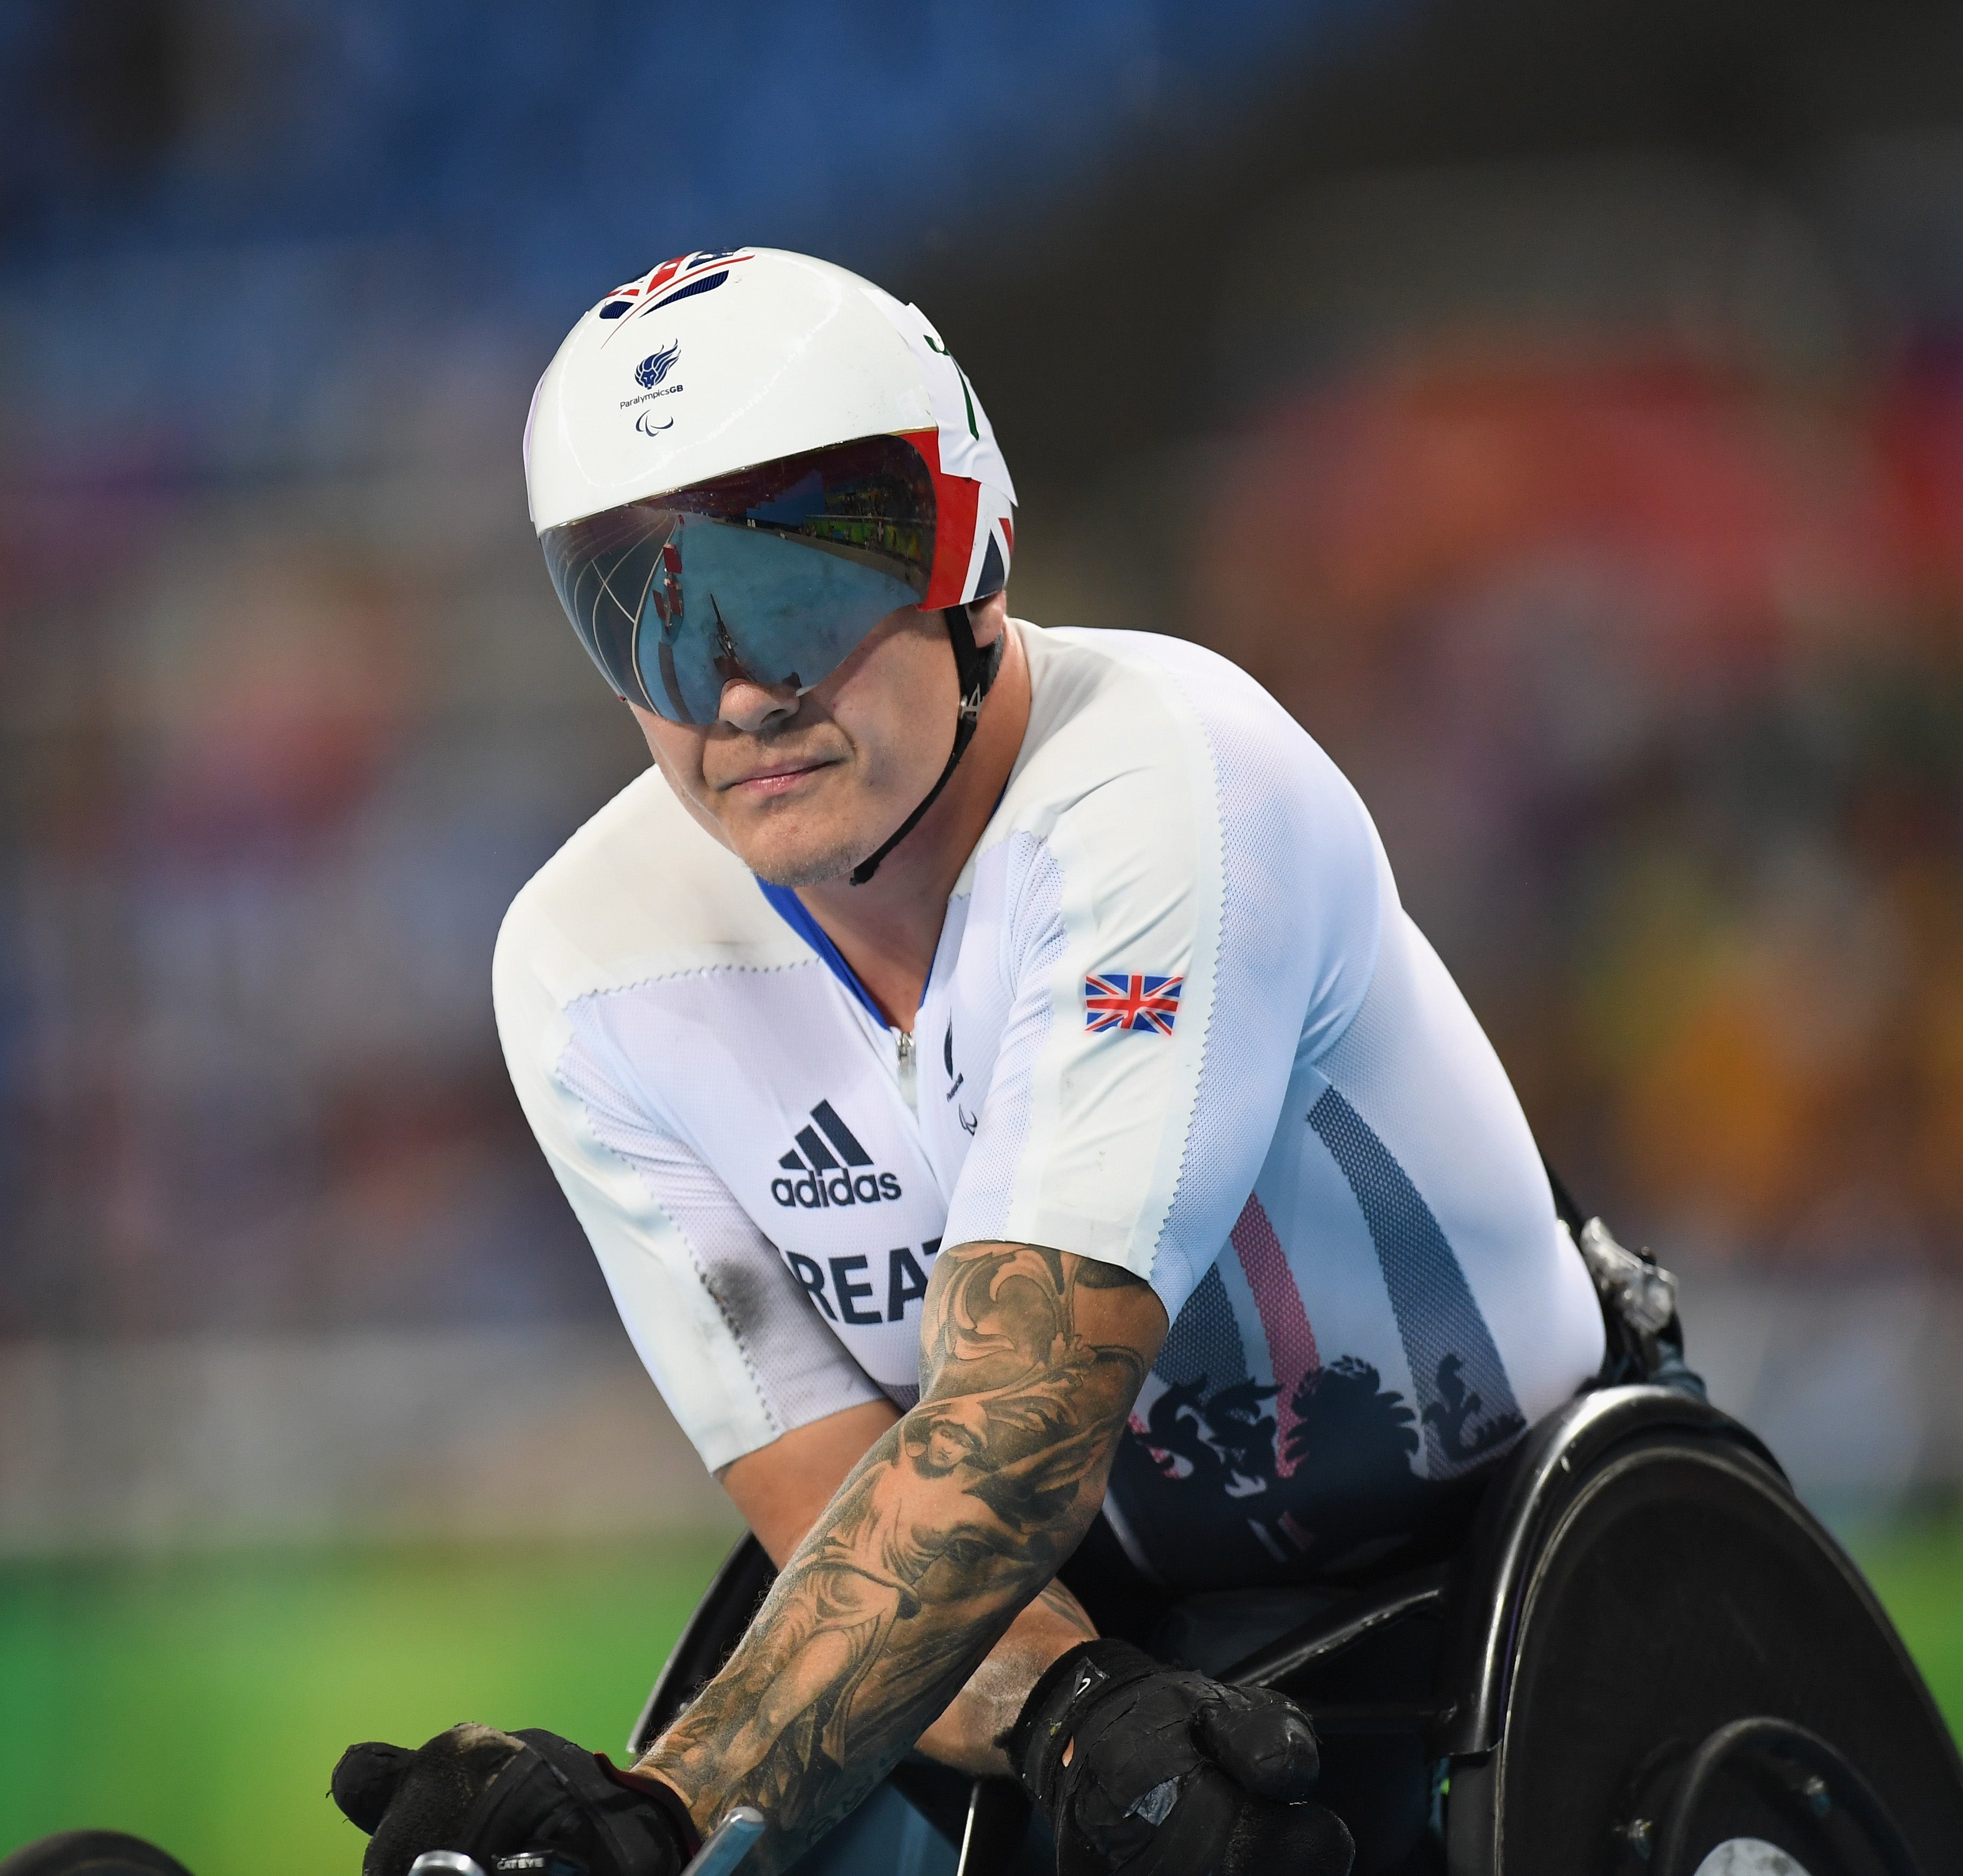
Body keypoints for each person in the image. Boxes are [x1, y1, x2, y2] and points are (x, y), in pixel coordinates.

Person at [331, 248, 1606, 1876]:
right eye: (649, 620)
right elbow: (833, 1510)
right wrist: (1071, 1703)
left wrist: (653, 1810)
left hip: (1534, 1576)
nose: (733, 691)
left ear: (971, 556)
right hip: (1095, 1619)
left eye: (790, 600)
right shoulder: (586, 970)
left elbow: (1010, 1425)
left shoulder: (1171, 780)